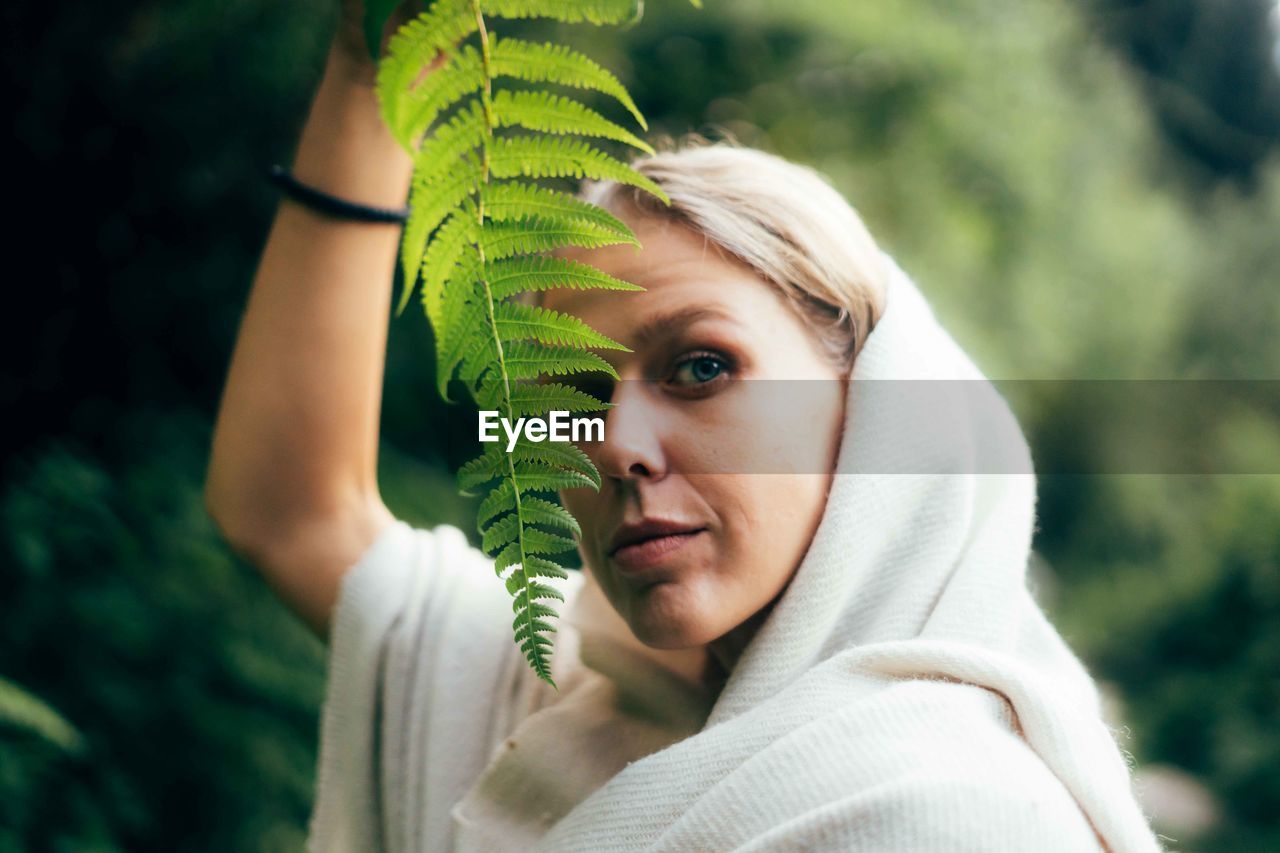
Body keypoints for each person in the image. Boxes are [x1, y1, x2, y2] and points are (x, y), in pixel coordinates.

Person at [204, 4, 1164, 851]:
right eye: (573, 397)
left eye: (702, 368)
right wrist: (369, 70)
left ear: (868, 398)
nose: (617, 443)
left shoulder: (956, 816)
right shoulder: (563, 695)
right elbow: (293, 511)